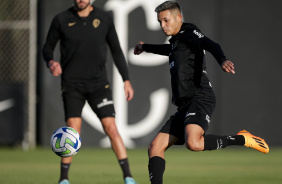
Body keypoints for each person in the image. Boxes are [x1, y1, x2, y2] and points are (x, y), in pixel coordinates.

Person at [133, 1, 269, 183]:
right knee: (155, 147)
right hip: (184, 105)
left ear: (179, 18)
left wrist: (222, 60)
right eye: (160, 22)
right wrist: (145, 47)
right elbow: (169, 50)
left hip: (200, 97)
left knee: (194, 143)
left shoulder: (188, 31)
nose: (162, 25)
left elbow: (210, 43)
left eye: (166, 20)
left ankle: (242, 139)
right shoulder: (176, 42)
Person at [42, 0, 136, 184]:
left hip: (98, 85)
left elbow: (116, 50)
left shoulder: (104, 18)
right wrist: (51, 62)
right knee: (72, 130)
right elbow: (47, 48)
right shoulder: (61, 19)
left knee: (111, 128)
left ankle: (128, 177)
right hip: (72, 85)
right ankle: (63, 180)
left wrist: (126, 79)